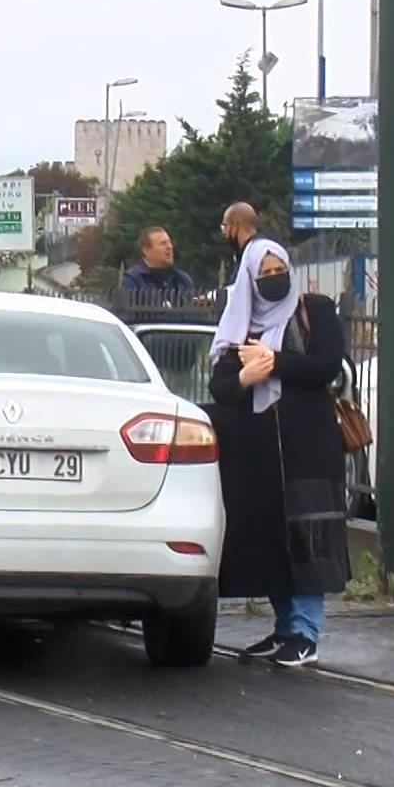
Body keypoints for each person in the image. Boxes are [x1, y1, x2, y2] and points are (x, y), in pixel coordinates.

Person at [206, 234, 350, 668]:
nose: (274, 279)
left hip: (309, 445)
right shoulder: (240, 324)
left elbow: (328, 364)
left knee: (308, 534)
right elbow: (221, 386)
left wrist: (276, 360)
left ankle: (307, 631)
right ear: (250, 278)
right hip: (258, 449)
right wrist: (248, 375)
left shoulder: (315, 310)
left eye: (279, 270)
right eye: (265, 273)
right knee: (268, 535)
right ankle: (285, 626)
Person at [119, 226, 195, 305]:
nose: (169, 247)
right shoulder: (133, 279)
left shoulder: (182, 279)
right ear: (146, 250)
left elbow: (192, 310)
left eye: (169, 242)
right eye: (163, 243)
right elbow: (124, 314)